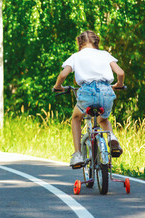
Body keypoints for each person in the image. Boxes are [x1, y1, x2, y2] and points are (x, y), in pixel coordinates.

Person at [53, 30, 125, 168]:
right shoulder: (105, 54)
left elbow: (63, 74)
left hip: (86, 92)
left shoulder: (76, 56)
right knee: (103, 119)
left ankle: (78, 154)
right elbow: (120, 72)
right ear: (96, 42)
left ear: (80, 43)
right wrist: (119, 84)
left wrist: (58, 86)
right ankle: (112, 139)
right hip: (106, 91)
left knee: (76, 118)